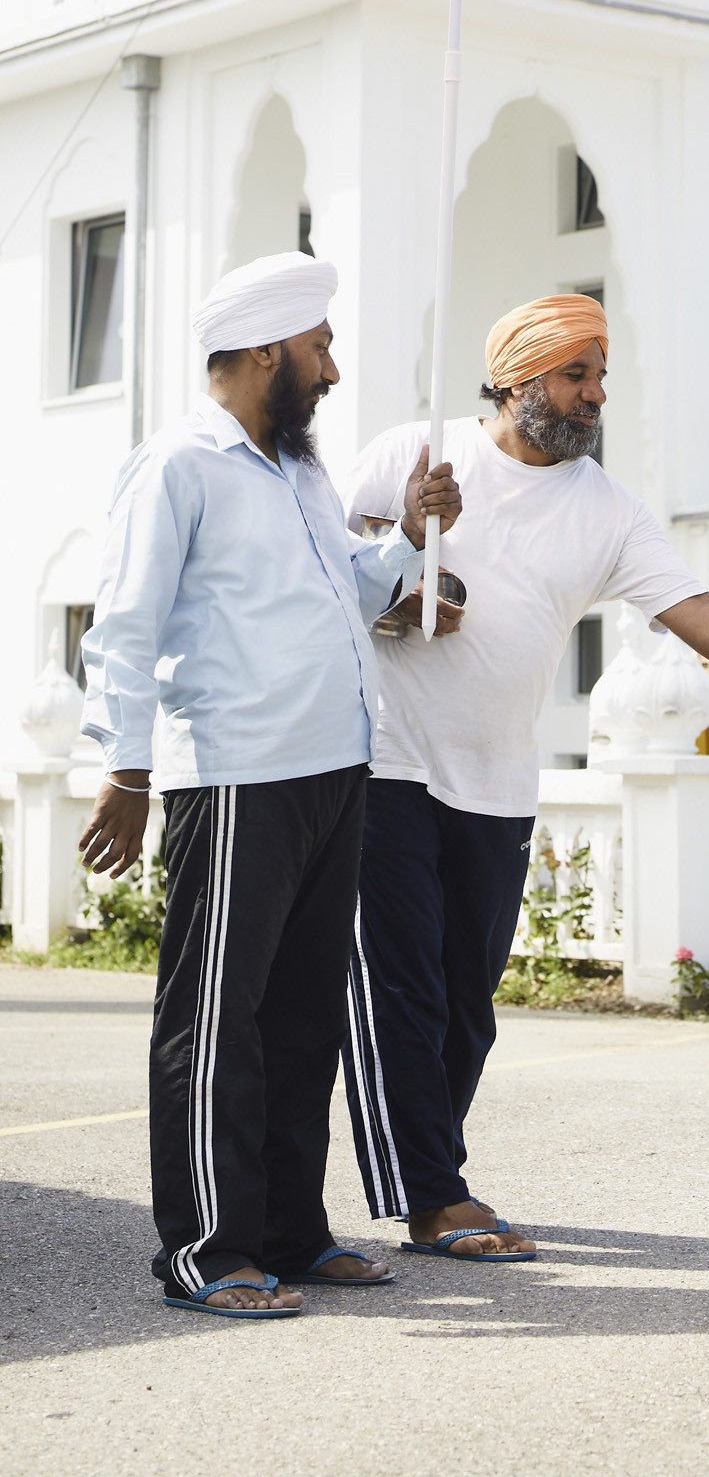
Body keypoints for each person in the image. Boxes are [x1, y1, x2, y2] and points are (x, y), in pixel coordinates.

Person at [337, 293, 709, 1261]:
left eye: (600, 377)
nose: (595, 395)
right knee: (404, 990)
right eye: (576, 374)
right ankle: (430, 1191)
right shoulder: (414, 455)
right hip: (387, 760)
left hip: (497, 779)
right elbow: (330, 572)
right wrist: (405, 574)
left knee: (467, 1004)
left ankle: (433, 1174)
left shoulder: (606, 508)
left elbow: (695, 607)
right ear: (517, 379)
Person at [77, 251, 462, 1321]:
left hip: (335, 767)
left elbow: (347, 589)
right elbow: (125, 622)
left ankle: (293, 1231)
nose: (331, 369)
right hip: (238, 774)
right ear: (263, 353)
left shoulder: (300, 472)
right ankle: (208, 1244)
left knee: (302, 1018)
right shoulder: (176, 466)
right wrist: (124, 763)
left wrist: (407, 540)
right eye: (319, 347)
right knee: (216, 1017)